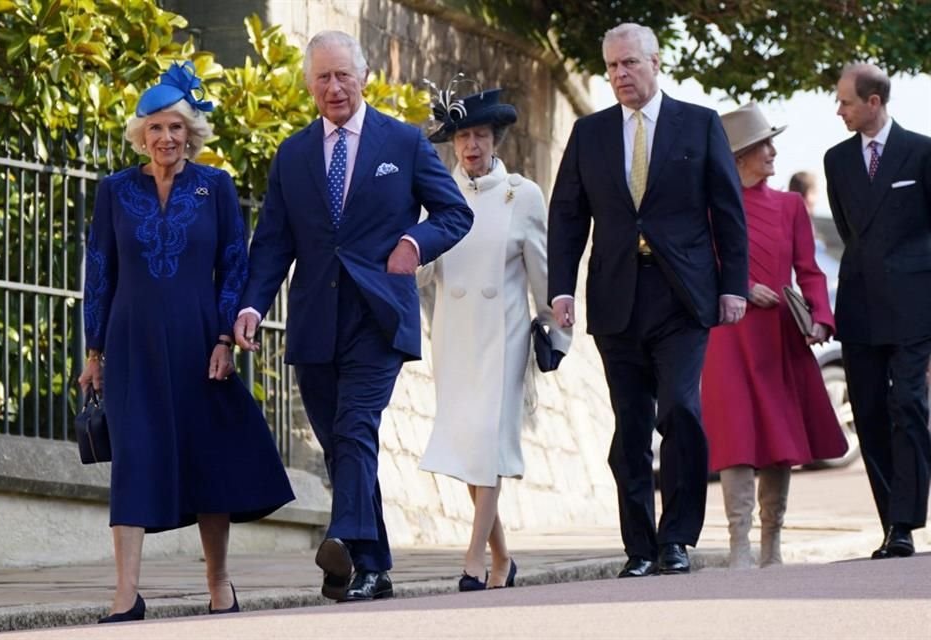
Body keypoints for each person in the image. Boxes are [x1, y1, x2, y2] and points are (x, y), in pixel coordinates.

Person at [232, 31, 473, 602]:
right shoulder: (292, 154)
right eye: (323, 78)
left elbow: (454, 212)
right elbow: (272, 243)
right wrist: (250, 304)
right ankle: (373, 565)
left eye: (343, 75)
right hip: (315, 318)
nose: (334, 87)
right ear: (310, 84)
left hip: (379, 315)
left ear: (362, 76)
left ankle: (342, 539)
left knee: (355, 428)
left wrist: (415, 242)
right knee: (342, 447)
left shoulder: (404, 141)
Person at [77, 61, 295, 623]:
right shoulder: (114, 191)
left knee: (208, 459)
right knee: (134, 459)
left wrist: (225, 335)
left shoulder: (215, 186)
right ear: (141, 135)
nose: (166, 138)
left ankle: (218, 581)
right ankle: (126, 593)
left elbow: (233, 263)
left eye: (176, 127)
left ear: (191, 133)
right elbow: (99, 271)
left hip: (202, 342)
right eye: (155, 128)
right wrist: (94, 351)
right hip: (131, 345)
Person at [548, 22, 749, 578]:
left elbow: (728, 211)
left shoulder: (699, 124)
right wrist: (561, 287)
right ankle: (639, 546)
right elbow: (567, 215)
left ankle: (677, 537)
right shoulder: (590, 134)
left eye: (629, 64)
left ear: (656, 63)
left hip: (681, 296)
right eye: (611, 67)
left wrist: (733, 284)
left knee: (680, 409)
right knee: (630, 425)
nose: (619, 75)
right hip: (616, 296)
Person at [417, 85, 572, 591]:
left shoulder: (522, 194)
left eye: (481, 134)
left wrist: (557, 331)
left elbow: (543, 274)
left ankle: (472, 560)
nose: (472, 146)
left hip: (504, 335)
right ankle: (501, 557)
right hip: (454, 336)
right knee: (467, 448)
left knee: (488, 441)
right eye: (463, 136)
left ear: (495, 139)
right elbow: (422, 268)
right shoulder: (440, 193)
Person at [702, 102, 848, 569]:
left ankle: (773, 545)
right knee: (736, 437)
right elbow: (700, 268)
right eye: (763, 145)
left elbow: (809, 270)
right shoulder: (710, 207)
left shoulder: (789, 207)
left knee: (780, 439)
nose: (772, 151)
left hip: (780, 336)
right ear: (739, 156)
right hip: (729, 335)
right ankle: (739, 545)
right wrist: (742, 288)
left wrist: (821, 317)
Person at [824, 63, 931, 559]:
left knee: (908, 405)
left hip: (914, 305)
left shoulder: (922, 151)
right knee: (867, 413)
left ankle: (906, 523)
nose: (838, 110)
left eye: (846, 101)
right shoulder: (836, 160)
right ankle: (891, 521)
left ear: (874, 103)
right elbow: (849, 231)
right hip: (861, 304)